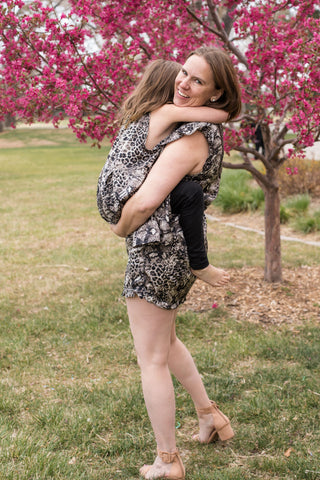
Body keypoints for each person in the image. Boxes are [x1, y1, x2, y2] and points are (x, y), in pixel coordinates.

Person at [100, 47, 242, 480]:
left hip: (158, 253)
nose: (184, 82)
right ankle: (210, 417)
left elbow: (144, 202)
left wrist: (121, 227)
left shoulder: (189, 137)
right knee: (167, 343)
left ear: (216, 93)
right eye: (184, 72)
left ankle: (167, 461)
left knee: (152, 360)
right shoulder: (189, 124)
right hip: (171, 250)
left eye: (197, 81)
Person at [97, 59, 230, 287]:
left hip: (108, 192)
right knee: (190, 193)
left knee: (188, 191)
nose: (183, 85)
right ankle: (200, 264)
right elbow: (221, 116)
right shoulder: (166, 112)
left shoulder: (138, 114)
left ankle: (199, 263)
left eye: (195, 80)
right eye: (181, 77)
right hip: (122, 194)